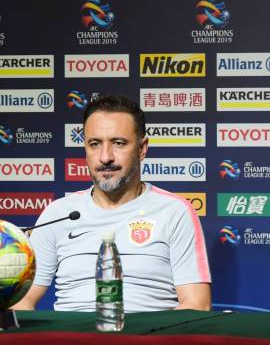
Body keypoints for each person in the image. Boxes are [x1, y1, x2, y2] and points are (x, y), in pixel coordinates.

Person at [13, 94, 212, 312]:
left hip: (147, 342)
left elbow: (196, 305)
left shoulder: (175, 212)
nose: (105, 157)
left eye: (118, 143)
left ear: (142, 148)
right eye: (95, 144)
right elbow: (20, 300)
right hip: (70, 342)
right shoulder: (58, 213)